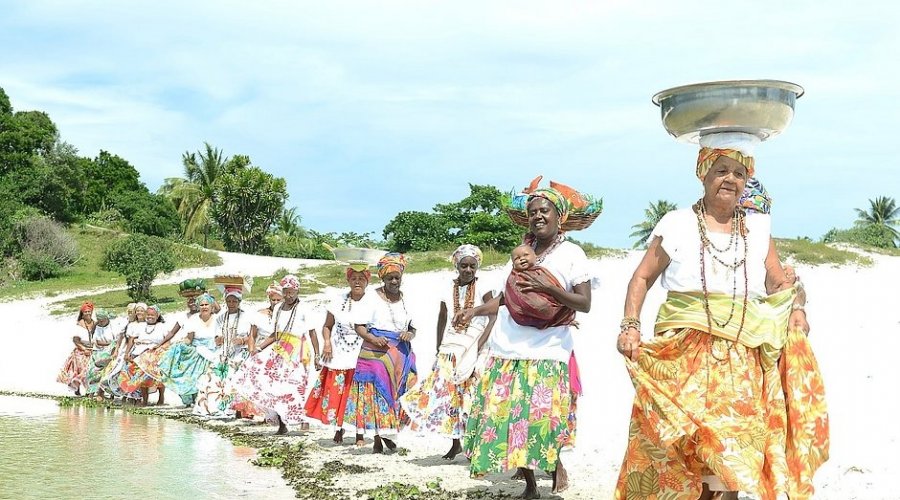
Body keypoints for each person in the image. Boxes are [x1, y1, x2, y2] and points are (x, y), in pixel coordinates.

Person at [613, 140, 829, 499]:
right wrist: (630, 325)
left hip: (740, 355)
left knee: (733, 452)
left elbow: (775, 279)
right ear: (703, 174)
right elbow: (642, 277)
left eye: (740, 173)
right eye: (721, 170)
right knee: (682, 444)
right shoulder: (678, 222)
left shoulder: (758, 228)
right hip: (683, 353)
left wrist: (796, 307)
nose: (730, 179)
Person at [458, 183, 594, 498]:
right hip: (509, 346)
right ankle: (531, 485)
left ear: (559, 216)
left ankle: (554, 462)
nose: (537, 217)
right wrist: (474, 310)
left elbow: (584, 302)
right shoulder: (520, 253)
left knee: (542, 418)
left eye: (544, 211)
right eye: (532, 213)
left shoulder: (573, 254)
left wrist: (548, 290)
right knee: (512, 416)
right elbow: (507, 297)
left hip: (549, 349)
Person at [400, 245, 496, 460]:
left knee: (472, 395)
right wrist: (438, 345)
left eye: (472, 266)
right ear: (457, 266)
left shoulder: (485, 285)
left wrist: (482, 342)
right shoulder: (447, 287)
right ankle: (456, 443)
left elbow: (493, 313)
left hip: (475, 342)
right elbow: (442, 317)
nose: (468, 270)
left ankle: (473, 446)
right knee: (450, 395)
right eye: (464, 266)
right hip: (450, 345)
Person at [344, 252, 418, 454]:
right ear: (382, 278)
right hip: (375, 353)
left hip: (399, 354)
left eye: (397, 278)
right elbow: (359, 326)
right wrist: (374, 339)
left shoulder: (405, 299)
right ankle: (377, 437)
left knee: (399, 393)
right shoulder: (371, 298)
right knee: (376, 395)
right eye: (390, 278)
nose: (394, 281)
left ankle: (388, 433)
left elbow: (413, 327)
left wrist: (409, 334)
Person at [231, 274, 317, 435]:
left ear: (297, 291)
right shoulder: (278, 308)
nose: (288, 295)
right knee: (276, 386)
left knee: (297, 386)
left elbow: (312, 333)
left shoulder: (304, 308)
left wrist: (318, 355)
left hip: (298, 349)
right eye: (285, 292)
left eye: (291, 291)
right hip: (280, 349)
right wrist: (259, 348)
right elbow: (275, 334)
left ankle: (304, 421)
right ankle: (282, 423)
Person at [304, 264, 374, 443]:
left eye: (361, 279)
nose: (357, 282)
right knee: (339, 391)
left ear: (367, 281)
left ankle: (359, 433)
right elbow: (327, 326)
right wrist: (327, 343)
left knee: (358, 392)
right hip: (340, 351)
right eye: (353, 278)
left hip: (363, 351)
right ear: (348, 280)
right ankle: (339, 427)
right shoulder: (338, 300)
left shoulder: (373, 301)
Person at [193, 284, 259, 418]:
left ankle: (234, 409)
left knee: (234, 377)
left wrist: (242, 341)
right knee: (213, 376)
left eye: (234, 301)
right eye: (229, 301)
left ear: (239, 302)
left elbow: (253, 336)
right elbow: (216, 337)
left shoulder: (247, 318)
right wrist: (219, 339)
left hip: (241, 353)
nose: (231, 303)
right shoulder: (221, 318)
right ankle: (212, 407)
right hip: (224, 352)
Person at [158, 294, 219, 406]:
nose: (204, 307)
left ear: (211, 306)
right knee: (191, 377)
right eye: (202, 305)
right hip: (197, 350)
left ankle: (207, 402)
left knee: (208, 378)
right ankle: (192, 401)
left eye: (206, 304)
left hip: (214, 351)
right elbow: (189, 338)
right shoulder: (194, 319)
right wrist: (178, 345)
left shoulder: (218, 319)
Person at [504, 243, 577, 329]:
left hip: (547, 309)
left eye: (526, 255)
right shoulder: (514, 277)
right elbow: (511, 294)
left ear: (535, 256)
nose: (522, 259)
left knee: (547, 308)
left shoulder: (541, 271)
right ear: (513, 264)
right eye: (517, 258)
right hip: (523, 314)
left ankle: (562, 319)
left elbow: (554, 285)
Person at [118, 305, 167, 406]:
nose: (149, 317)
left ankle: (161, 397)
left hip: (155, 354)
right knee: (140, 377)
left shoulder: (162, 326)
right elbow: (131, 339)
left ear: (157, 315)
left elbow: (167, 341)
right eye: (148, 314)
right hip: (139, 353)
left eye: (152, 315)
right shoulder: (140, 326)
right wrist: (127, 353)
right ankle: (143, 399)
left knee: (158, 377)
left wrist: (160, 350)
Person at [56, 301, 97, 395]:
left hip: (92, 349)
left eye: (89, 311)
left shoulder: (95, 324)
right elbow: (76, 340)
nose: (87, 313)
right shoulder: (79, 325)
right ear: (82, 313)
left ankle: (90, 390)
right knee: (82, 368)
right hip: (81, 349)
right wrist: (84, 349)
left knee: (92, 370)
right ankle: (77, 387)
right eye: (85, 312)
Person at [84, 309, 119, 399]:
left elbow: (116, 342)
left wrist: (106, 346)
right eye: (99, 320)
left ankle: (101, 392)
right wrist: (97, 344)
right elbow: (94, 340)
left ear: (106, 319)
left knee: (103, 371)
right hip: (97, 351)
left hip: (109, 352)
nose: (100, 322)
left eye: (102, 320)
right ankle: (91, 392)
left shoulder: (113, 326)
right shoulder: (96, 326)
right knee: (91, 371)